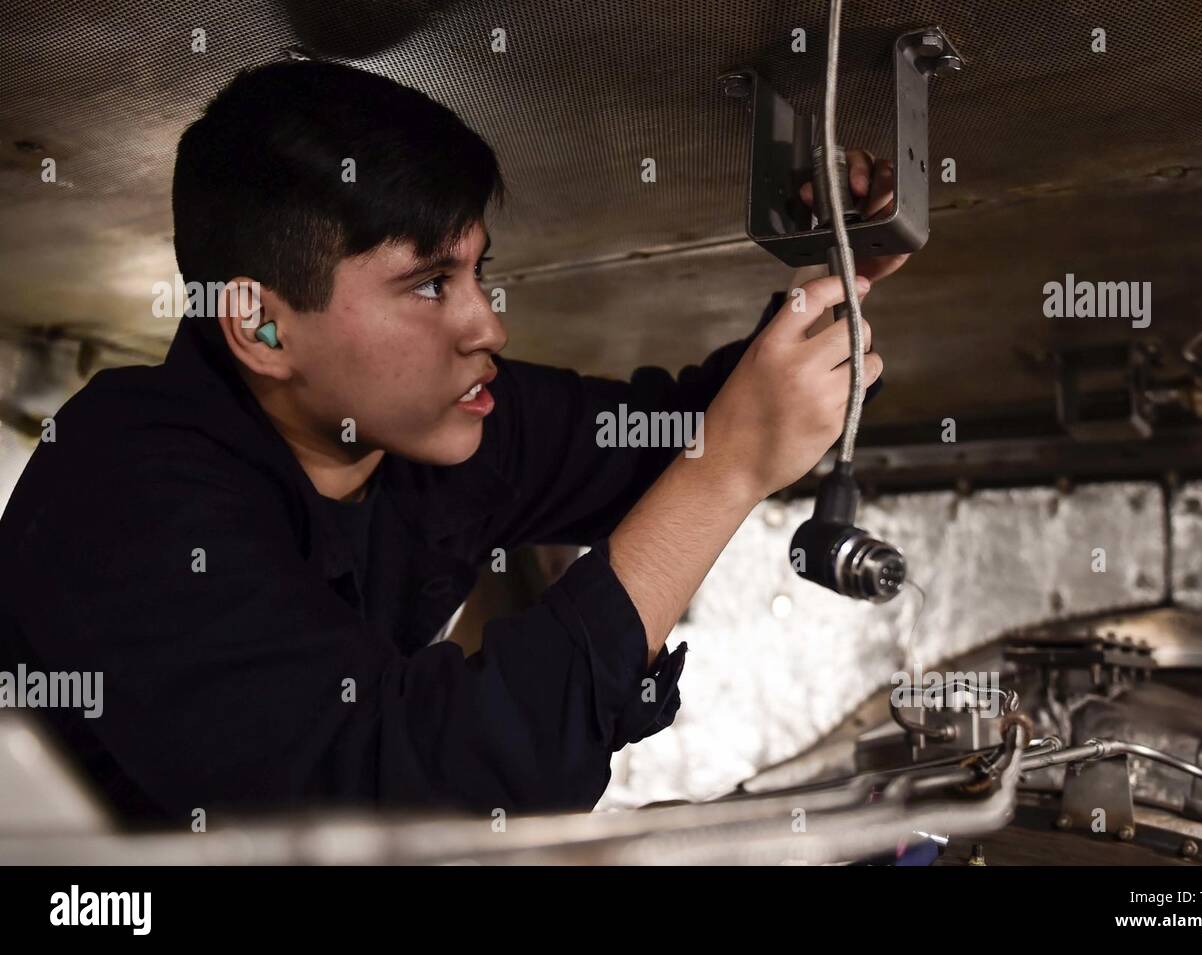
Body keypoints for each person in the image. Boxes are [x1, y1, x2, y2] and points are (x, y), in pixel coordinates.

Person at [0, 60, 902, 823]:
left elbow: (675, 440)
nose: (488, 326)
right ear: (261, 327)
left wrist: (830, 286)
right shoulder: (126, 492)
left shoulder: (440, 427)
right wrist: (727, 470)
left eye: (480, 271)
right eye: (431, 283)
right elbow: (402, 792)